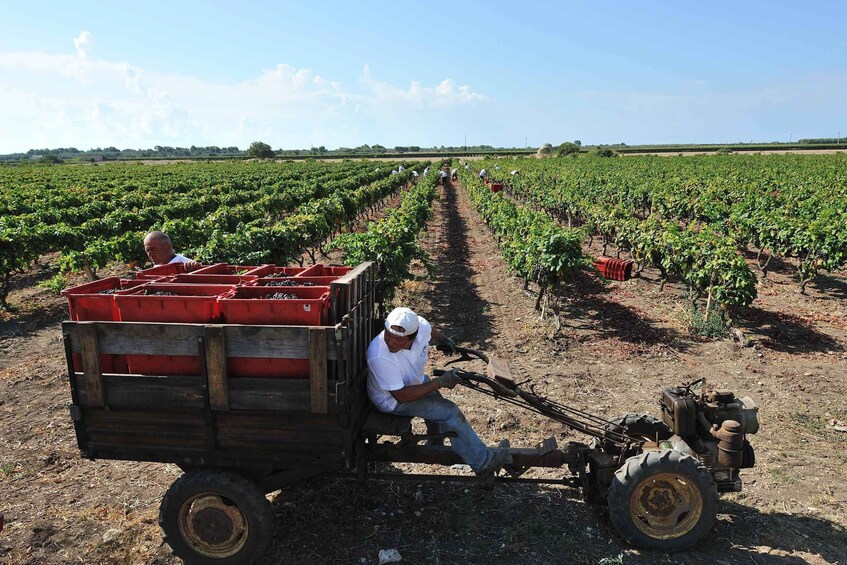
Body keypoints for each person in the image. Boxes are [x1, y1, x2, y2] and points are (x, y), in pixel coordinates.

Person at [366, 307, 511, 478]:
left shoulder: (420, 327)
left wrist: (445, 340)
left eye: (399, 340)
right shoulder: (379, 355)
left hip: (411, 382)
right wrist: (440, 382)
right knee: (450, 412)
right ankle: (485, 464)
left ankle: (435, 443)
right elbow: (402, 396)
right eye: (388, 335)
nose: (391, 342)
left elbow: (429, 330)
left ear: (412, 337)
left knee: (434, 397)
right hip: (391, 400)